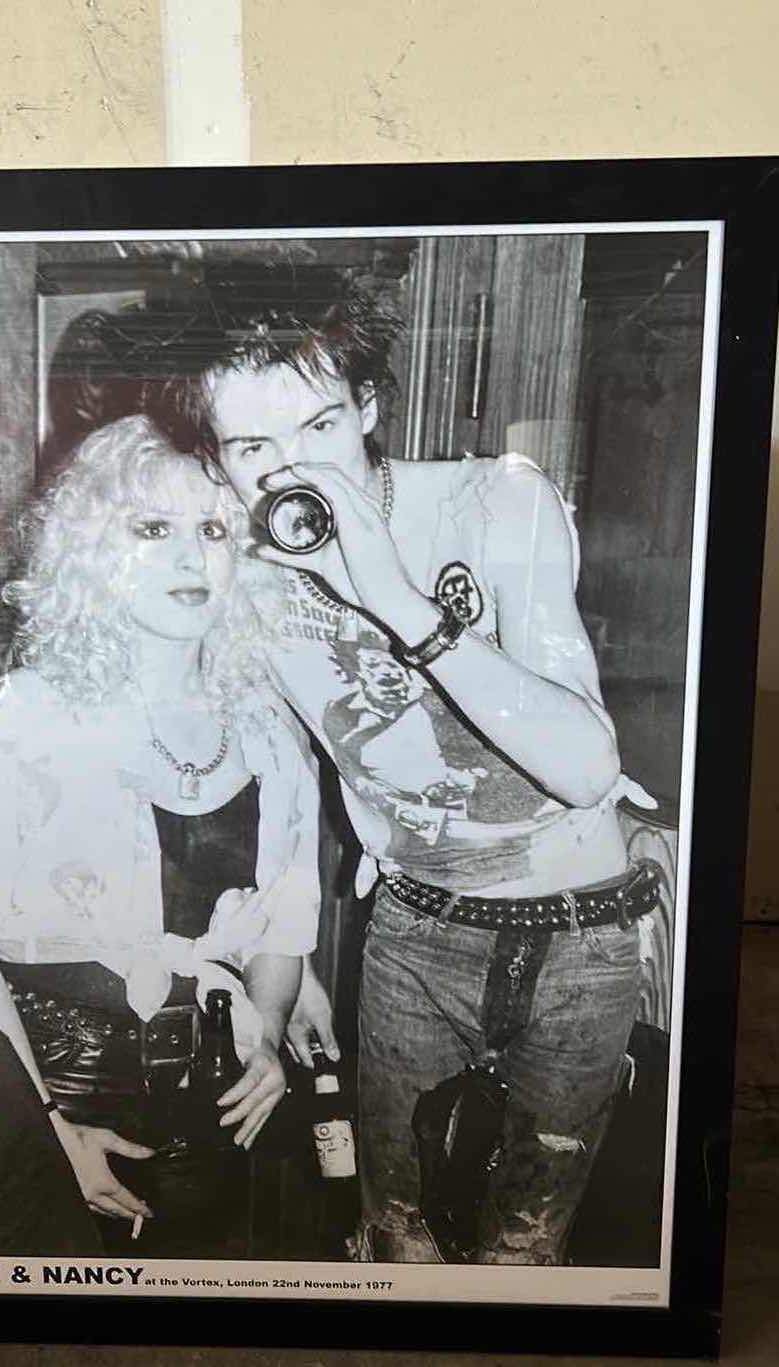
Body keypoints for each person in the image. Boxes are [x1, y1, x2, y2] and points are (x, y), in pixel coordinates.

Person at [151, 260, 662, 1265]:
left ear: (370, 405)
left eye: (320, 427)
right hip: (413, 934)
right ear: (217, 456)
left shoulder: (493, 504)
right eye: (253, 445)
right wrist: (282, 966)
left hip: (581, 933)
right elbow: (283, 779)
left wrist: (389, 591)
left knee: (527, 1240)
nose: (294, 469)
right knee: (392, 1232)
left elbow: (586, 767)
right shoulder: (237, 580)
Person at [0, 414, 321, 1257]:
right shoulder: (16, 721)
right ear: (94, 552)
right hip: (46, 1093)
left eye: (213, 528)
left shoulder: (269, 730)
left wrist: (270, 1033)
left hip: (214, 1107)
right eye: (152, 528)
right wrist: (46, 1126)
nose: (190, 556)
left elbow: (285, 922)